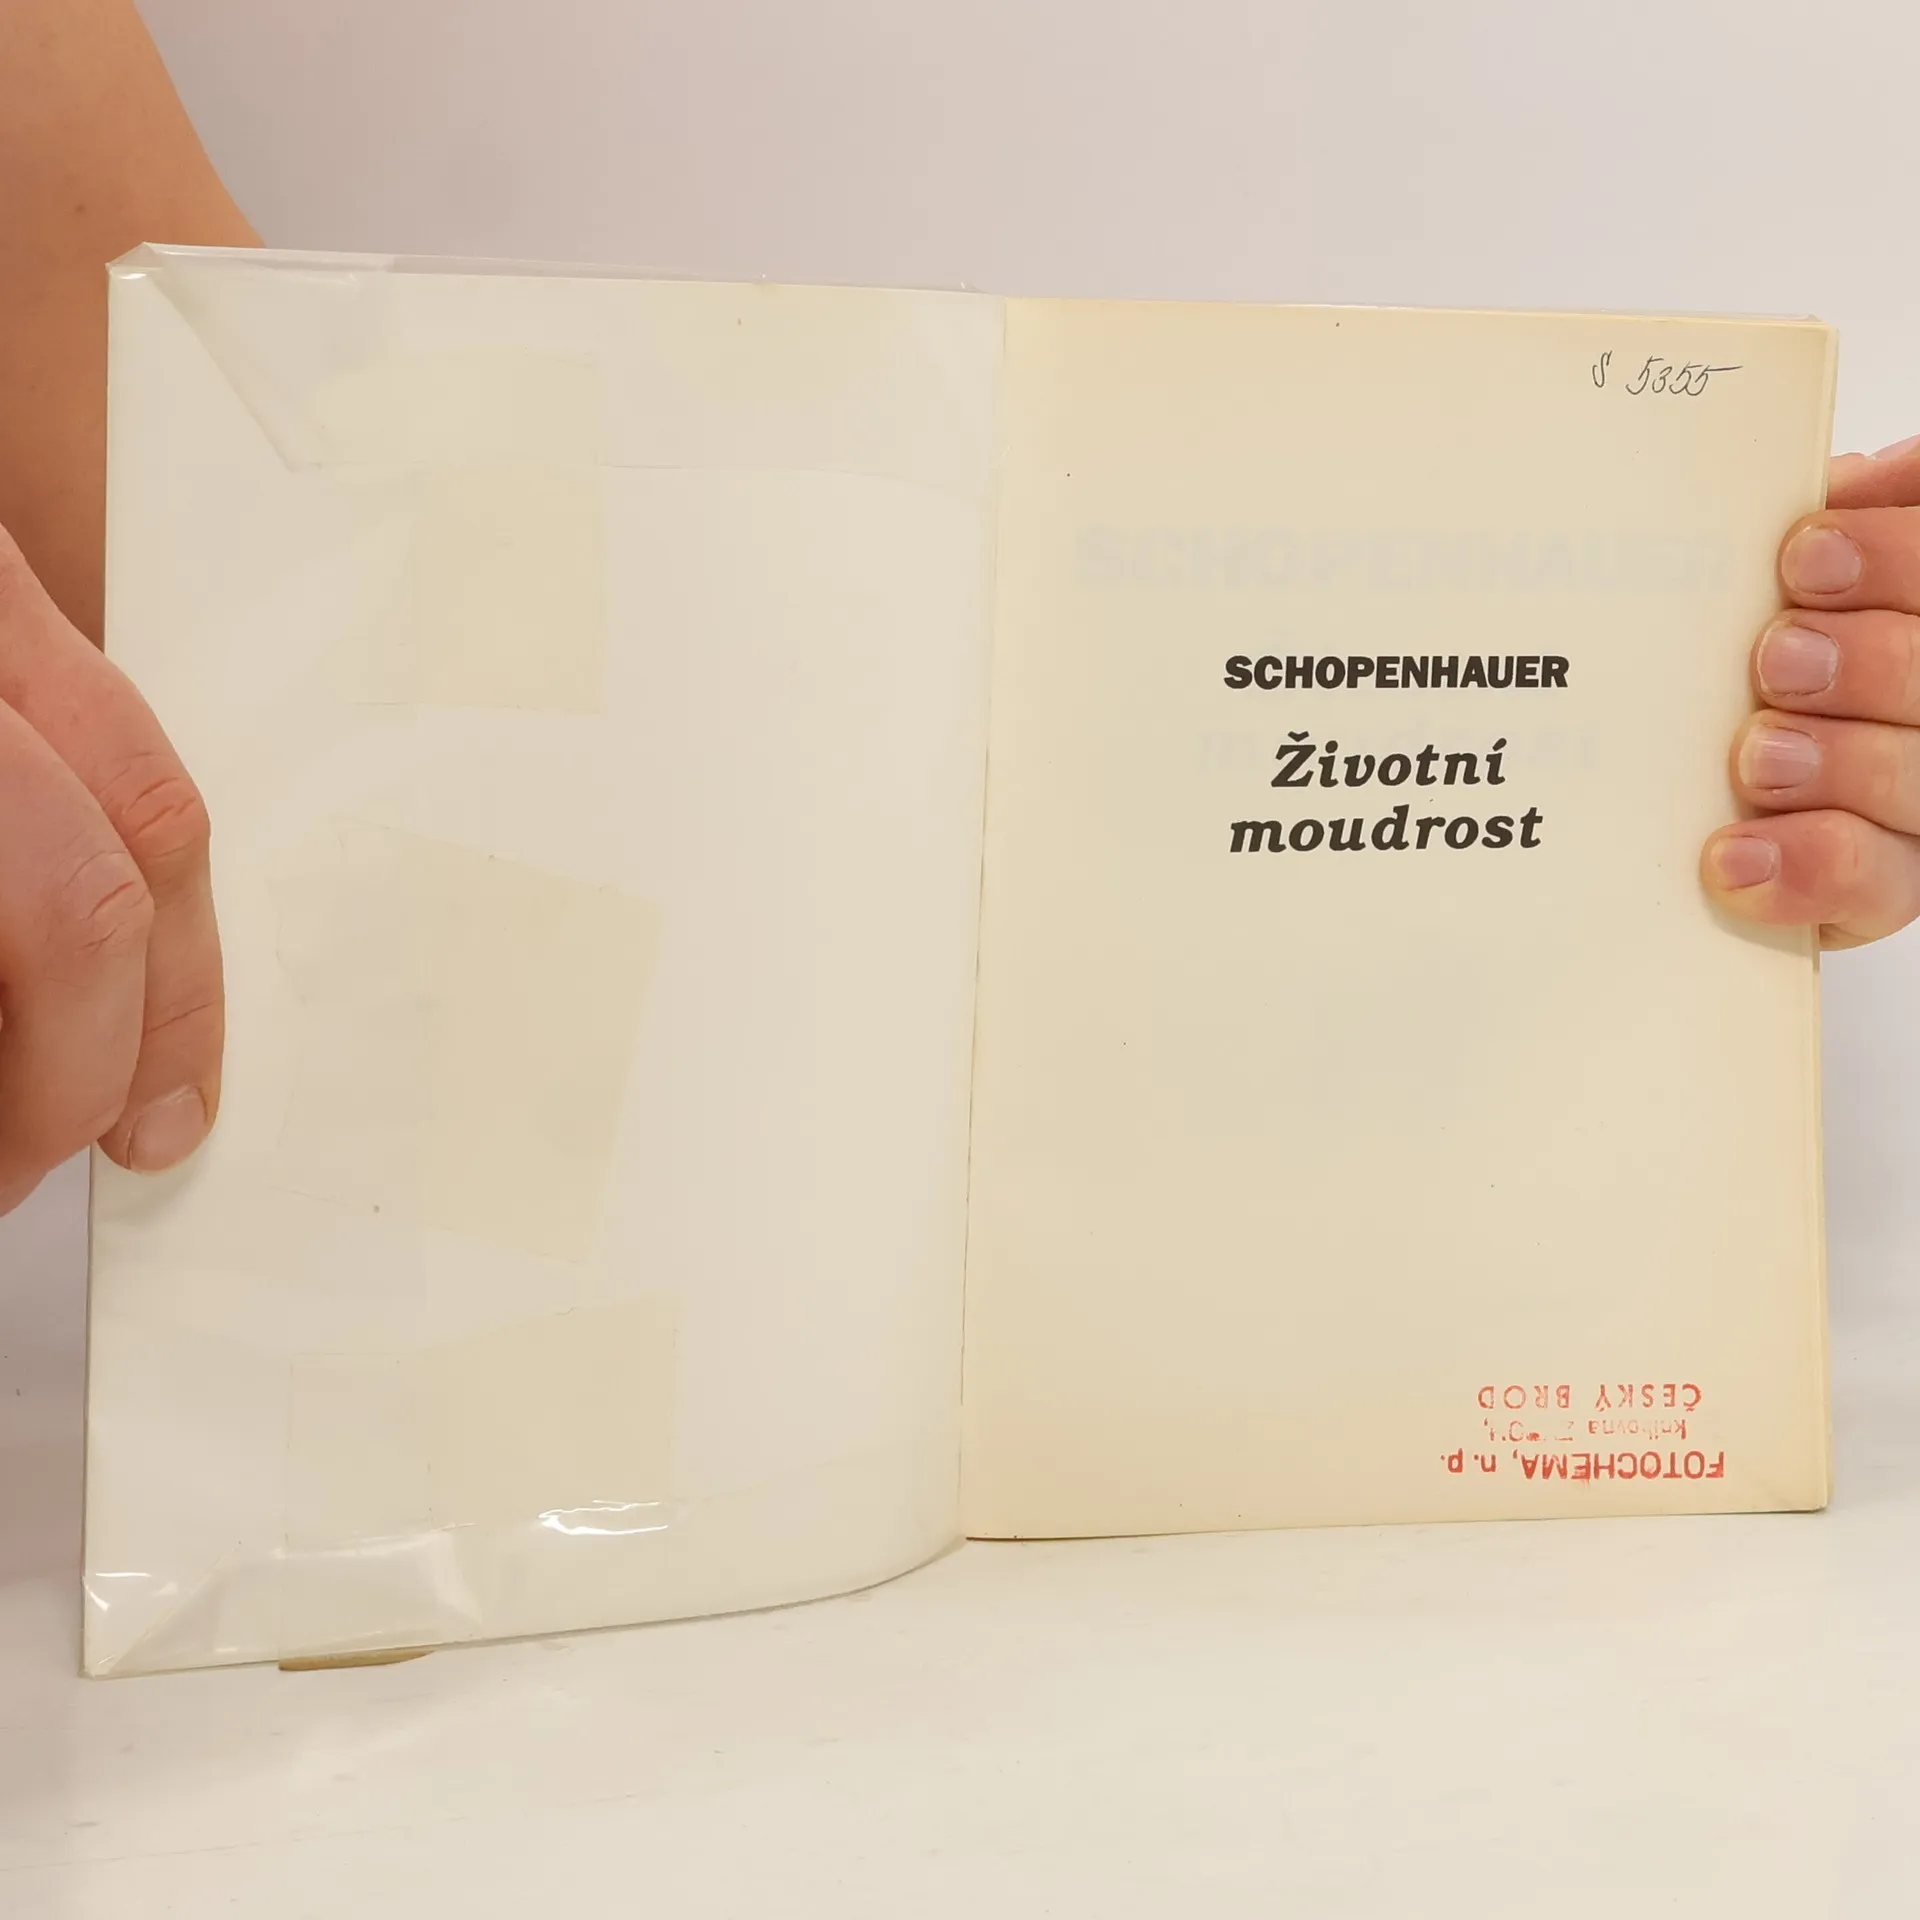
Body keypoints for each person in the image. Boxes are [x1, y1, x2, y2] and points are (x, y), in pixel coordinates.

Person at [2, 0, 1918, 1220]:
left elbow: (287, 574)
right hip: (384, 1301)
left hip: (1531, 1394)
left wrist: (1683, 762)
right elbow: (240, 575)